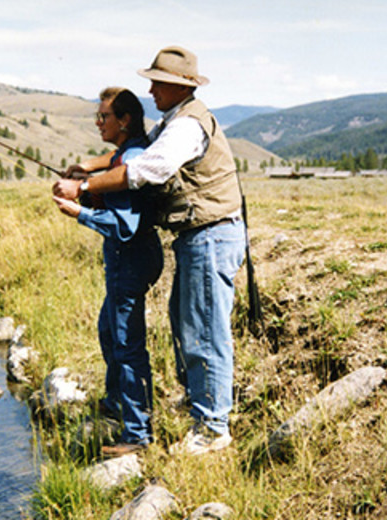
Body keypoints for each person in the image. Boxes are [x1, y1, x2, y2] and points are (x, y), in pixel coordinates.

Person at [53, 46, 246, 455]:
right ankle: (203, 410)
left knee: (204, 333)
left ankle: (212, 428)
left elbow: (146, 168)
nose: (152, 89)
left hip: (210, 235)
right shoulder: (173, 121)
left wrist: (84, 190)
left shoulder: (187, 126)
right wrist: (88, 166)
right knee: (188, 326)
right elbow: (130, 152)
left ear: (181, 87)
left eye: (159, 83)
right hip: (199, 236)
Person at [52, 87, 163, 458]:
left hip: (129, 255)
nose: (98, 123)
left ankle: (137, 433)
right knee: (108, 329)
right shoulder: (125, 153)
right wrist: (84, 174)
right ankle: (117, 402)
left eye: (104, 117)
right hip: (132, 256)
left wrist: (78, 211)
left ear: (125, 120)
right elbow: (111, 165)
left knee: (127, 345)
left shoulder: (130, 159)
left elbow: (123, 224)